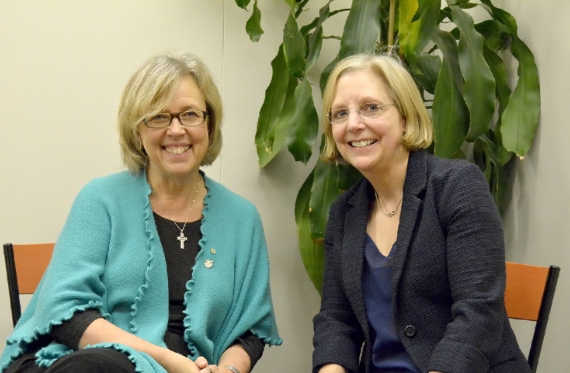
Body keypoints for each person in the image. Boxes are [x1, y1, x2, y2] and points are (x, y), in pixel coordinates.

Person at [1, 52, 282, 373]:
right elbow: (66, 313)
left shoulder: (242, 218)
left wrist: (228, 371)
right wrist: (170, 363)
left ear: (210, 124)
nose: (176, 130)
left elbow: (249, 331)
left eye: (190, 114)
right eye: (159, 116)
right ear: (137, 130)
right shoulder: (100, 199)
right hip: (90, 363)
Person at [311, 53, 531, 373]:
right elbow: (336, 319)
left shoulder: (457, 186)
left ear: (405, 116)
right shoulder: (344, 212)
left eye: (371, 107)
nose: (354, 124)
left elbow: (478, 312)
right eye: (340, 113)